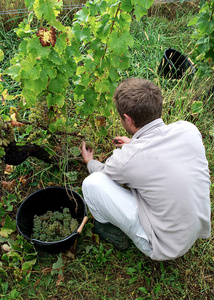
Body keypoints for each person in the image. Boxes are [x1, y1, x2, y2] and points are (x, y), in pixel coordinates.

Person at [80, 77, 211, 261]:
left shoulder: (128, 159)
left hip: (163, 246)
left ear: (127, 119)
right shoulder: (188, 129)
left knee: (92, 184)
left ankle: (107, 228)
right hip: (194, 230)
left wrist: (89, 161)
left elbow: (103, 174)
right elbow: (160, 155)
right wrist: (136, 143)